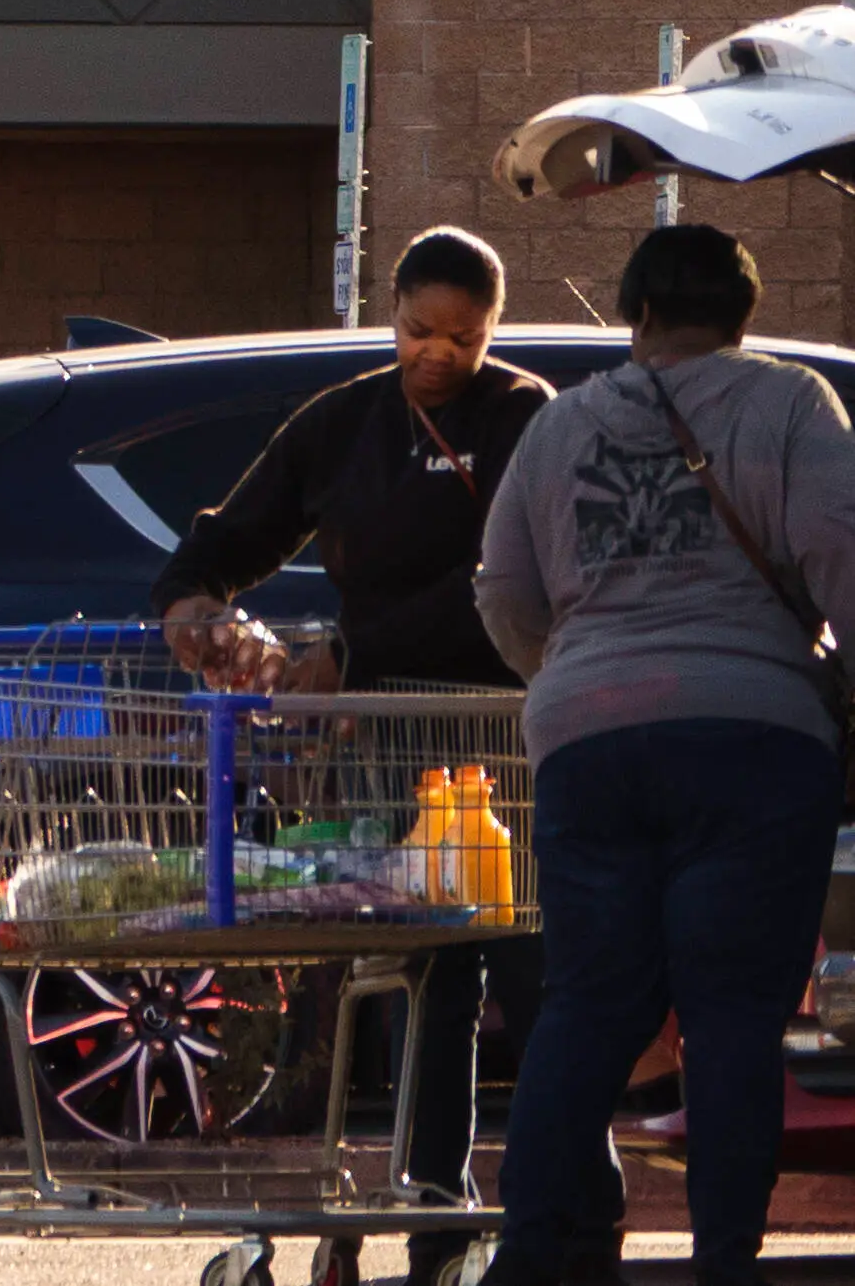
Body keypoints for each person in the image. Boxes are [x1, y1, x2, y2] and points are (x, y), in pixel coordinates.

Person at [151, 226, 554, 1282]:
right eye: (419, 331)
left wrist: (352, 650)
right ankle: (432, 1203)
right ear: (390, 314)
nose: (437, 354)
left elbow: (504, 581)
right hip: (383, 739)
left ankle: (563, 1197)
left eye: (463, 338)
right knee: (426, 972)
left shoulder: (524, 417)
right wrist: (195, 602)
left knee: (532, 964)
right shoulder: (341, 423)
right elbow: (232, 533)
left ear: (491, 329)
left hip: (503, 730)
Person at [474, 222, 855, 1286]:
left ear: (633, 312)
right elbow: (841, 546)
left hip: (587, 743)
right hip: (754, 738)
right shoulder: (789, 405)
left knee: (589, 1002)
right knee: (732, 1011)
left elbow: (502, 590)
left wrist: (572, 673)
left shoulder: (557, 427)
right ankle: (723, 1260)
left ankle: (533, 1249)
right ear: (743, 314)